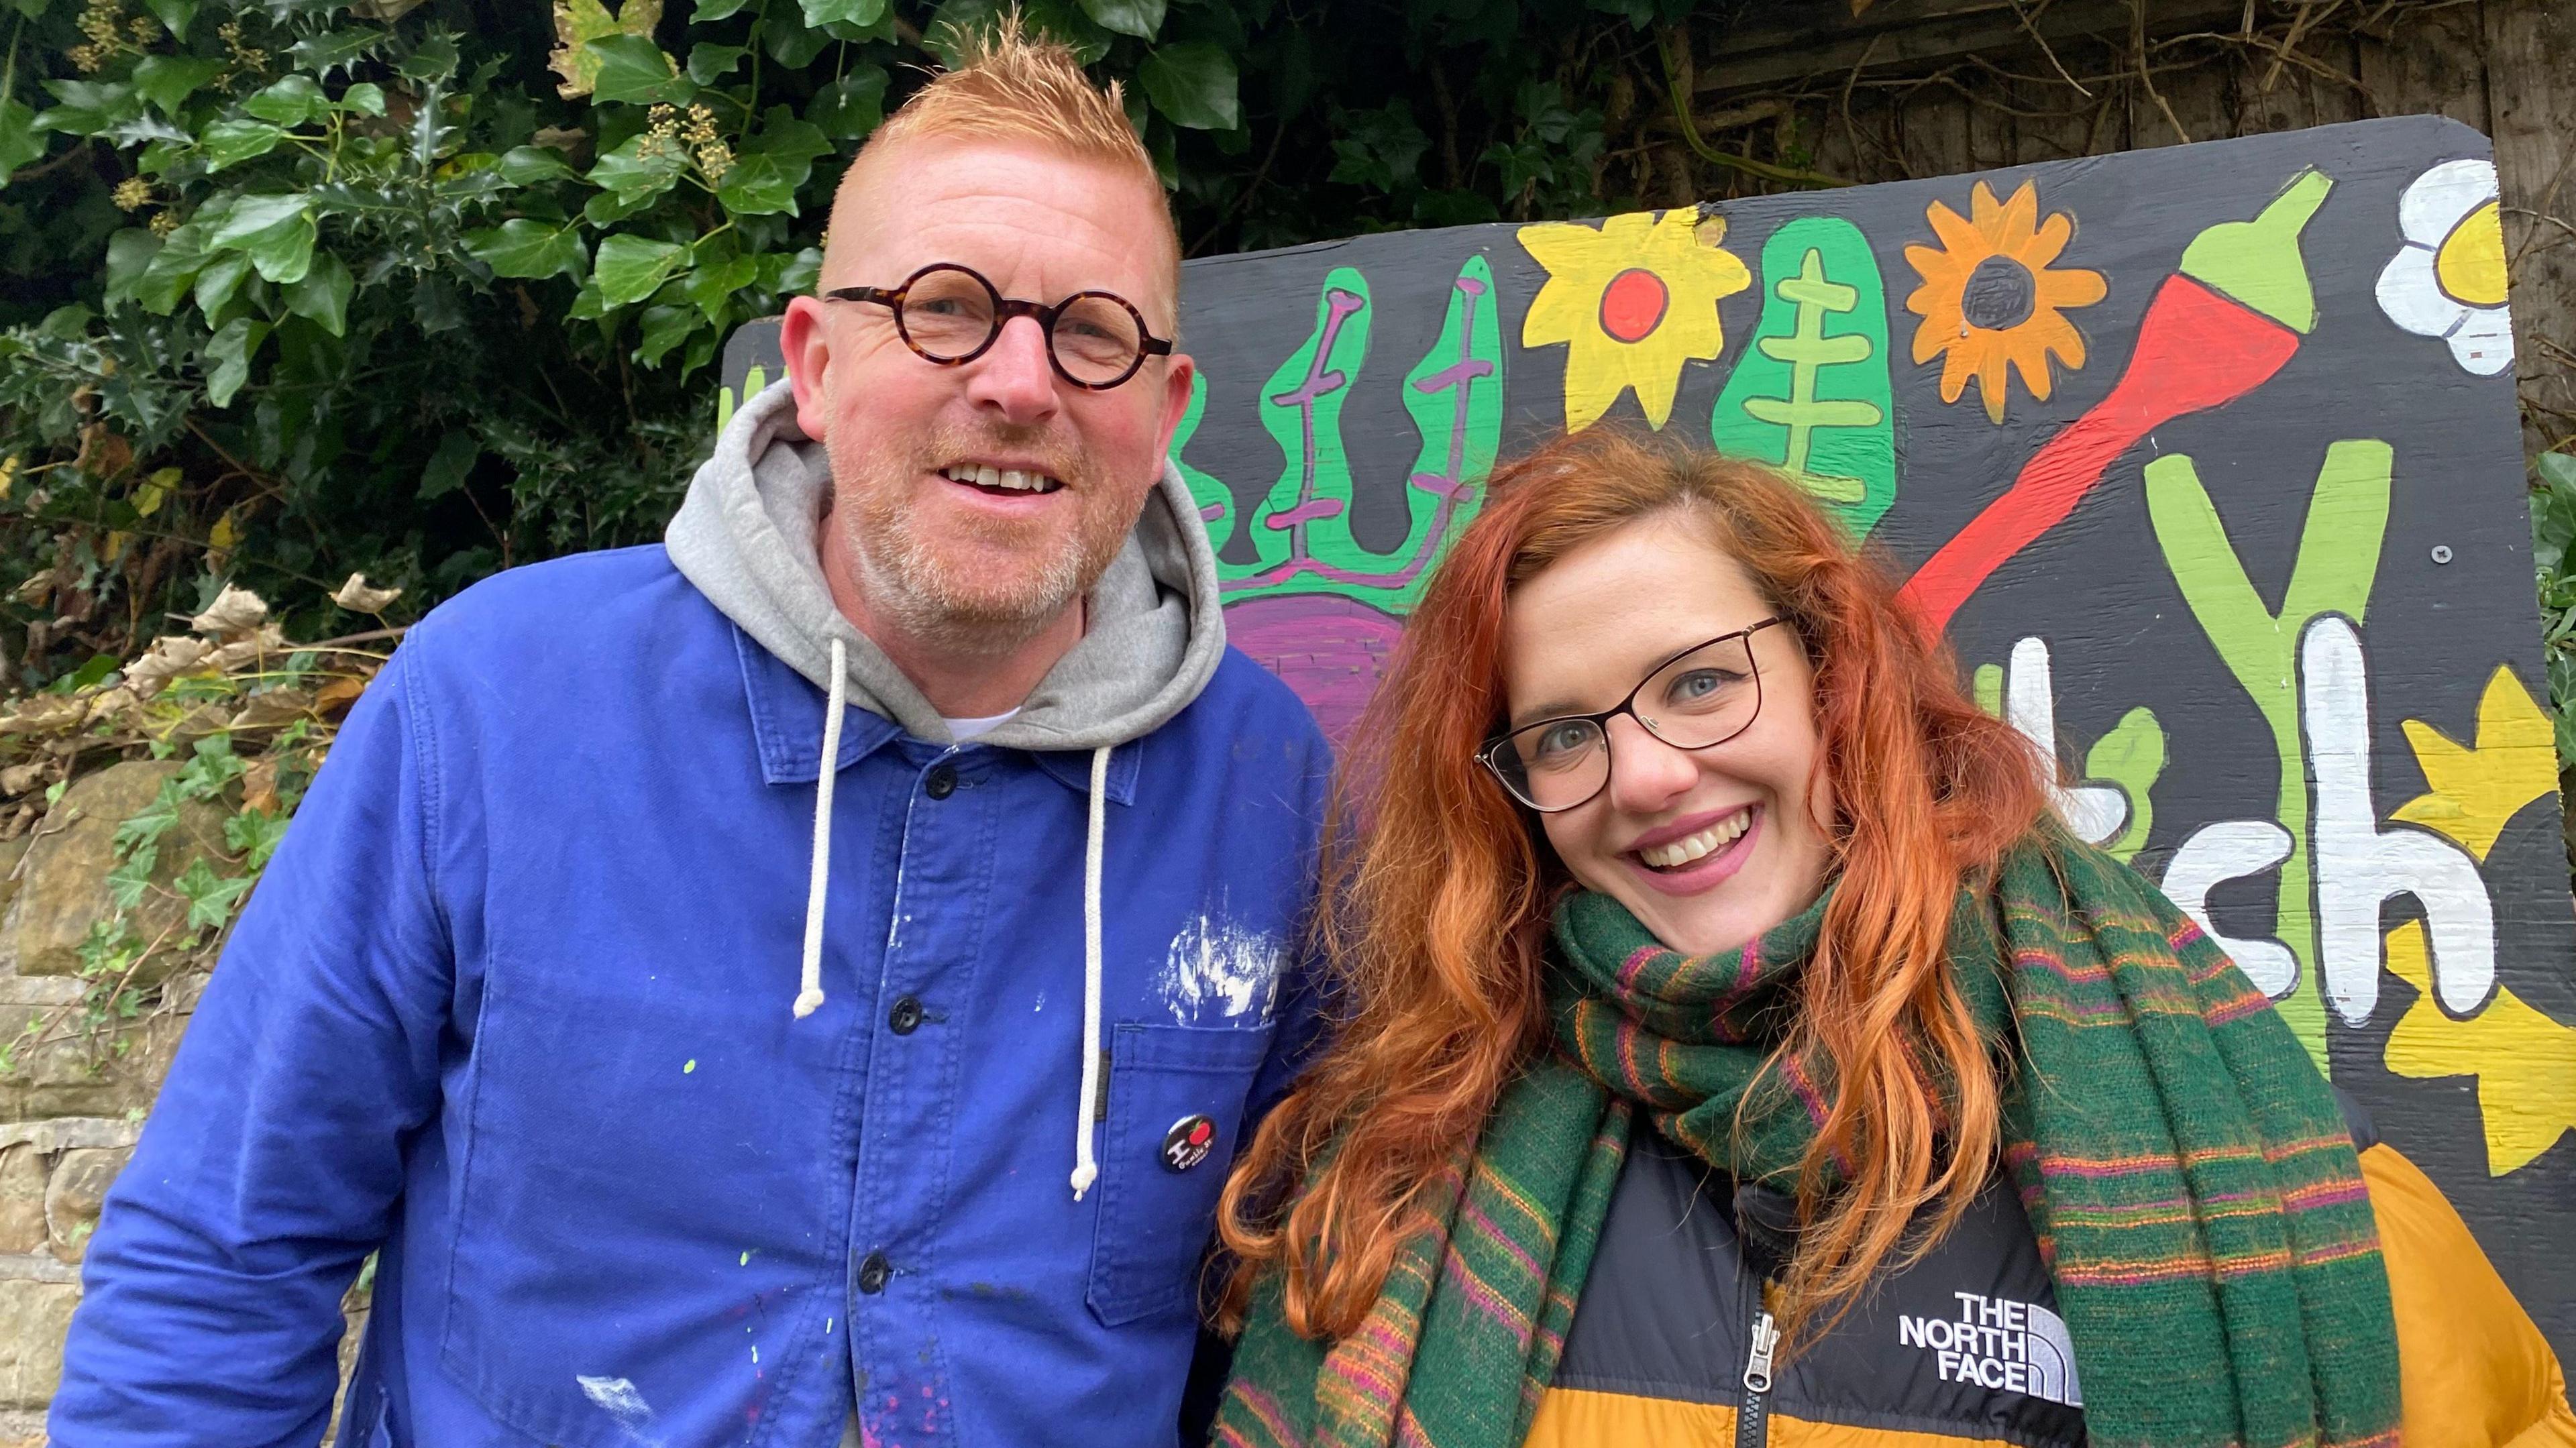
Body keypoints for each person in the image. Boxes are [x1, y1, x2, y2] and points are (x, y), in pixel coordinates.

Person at [50, 21, 1331, 1448]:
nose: (1021, 383)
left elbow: (1293, 1320)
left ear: (1163, 412)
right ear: (818, 361)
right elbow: (223, 1258)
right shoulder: (494, 709)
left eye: (1091, 330)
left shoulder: (1270, 792)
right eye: (945, 306)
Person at [1209, 428, 2576, 1448]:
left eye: (1699, 683)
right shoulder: (1415, 1165)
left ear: (1833, 678)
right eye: (1564, 733)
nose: (1646, 777)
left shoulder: (2219, 1137)